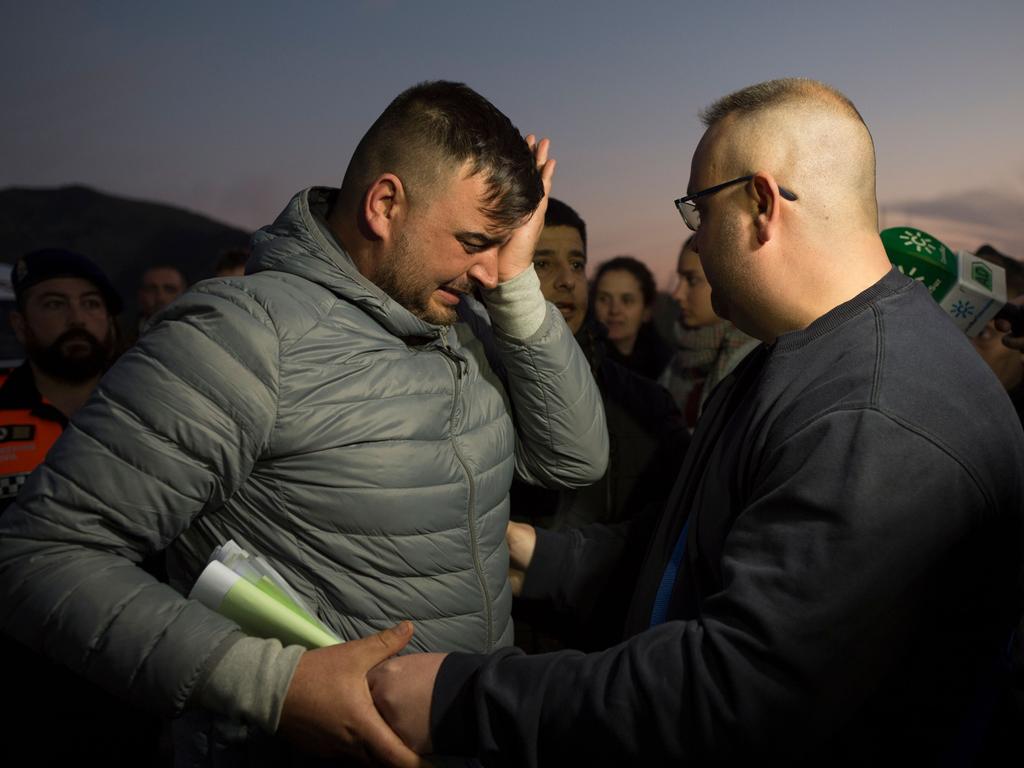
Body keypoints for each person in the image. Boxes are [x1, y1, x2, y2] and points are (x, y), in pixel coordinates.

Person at [368, 78, 1024, 766]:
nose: (696, 243)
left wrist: (457, 698)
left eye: (698, 212)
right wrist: (532, 553)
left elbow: (737, 697)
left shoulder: (877, 413)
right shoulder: (798, 359)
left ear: (761, 205)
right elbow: (692, 552)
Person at [0, 80, 607, 767]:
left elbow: (574, 460)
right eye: (473, 240)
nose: (486, 271)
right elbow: (38, 557)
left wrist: (519, 278)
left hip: (462, 734)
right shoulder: (242, 336)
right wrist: (273, 686)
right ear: (384, 205)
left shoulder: (453, 329)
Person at [512, 198, 688, 652]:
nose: (566, 279)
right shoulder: (474, 393)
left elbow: (668, 538)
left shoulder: (646, 402)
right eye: (541, 262)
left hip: (603, 647)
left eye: (576, 262)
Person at [0, 248, 121, 507]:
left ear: (109, 320)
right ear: (20, 325)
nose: (77, 320)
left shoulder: (147, 405)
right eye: (54, 304)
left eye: (91, 303)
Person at [661, 235, 758, 428]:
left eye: (692, 280)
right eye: (679, 279)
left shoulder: (754, 361)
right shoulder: (677, 363)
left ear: (726, 278)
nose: (677, 294)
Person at [591, 256, 673, 380]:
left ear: (646, 311)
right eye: (604, 299)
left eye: (627, 300)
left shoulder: (670, 370)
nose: (614, 310)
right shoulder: (581, 365)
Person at [136, 263, 187, 334]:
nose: (160, 298)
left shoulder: (199, 335)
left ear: (184, 294)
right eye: (151, 289)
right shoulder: (122, 338)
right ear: (141, 294)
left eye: (170, 290)